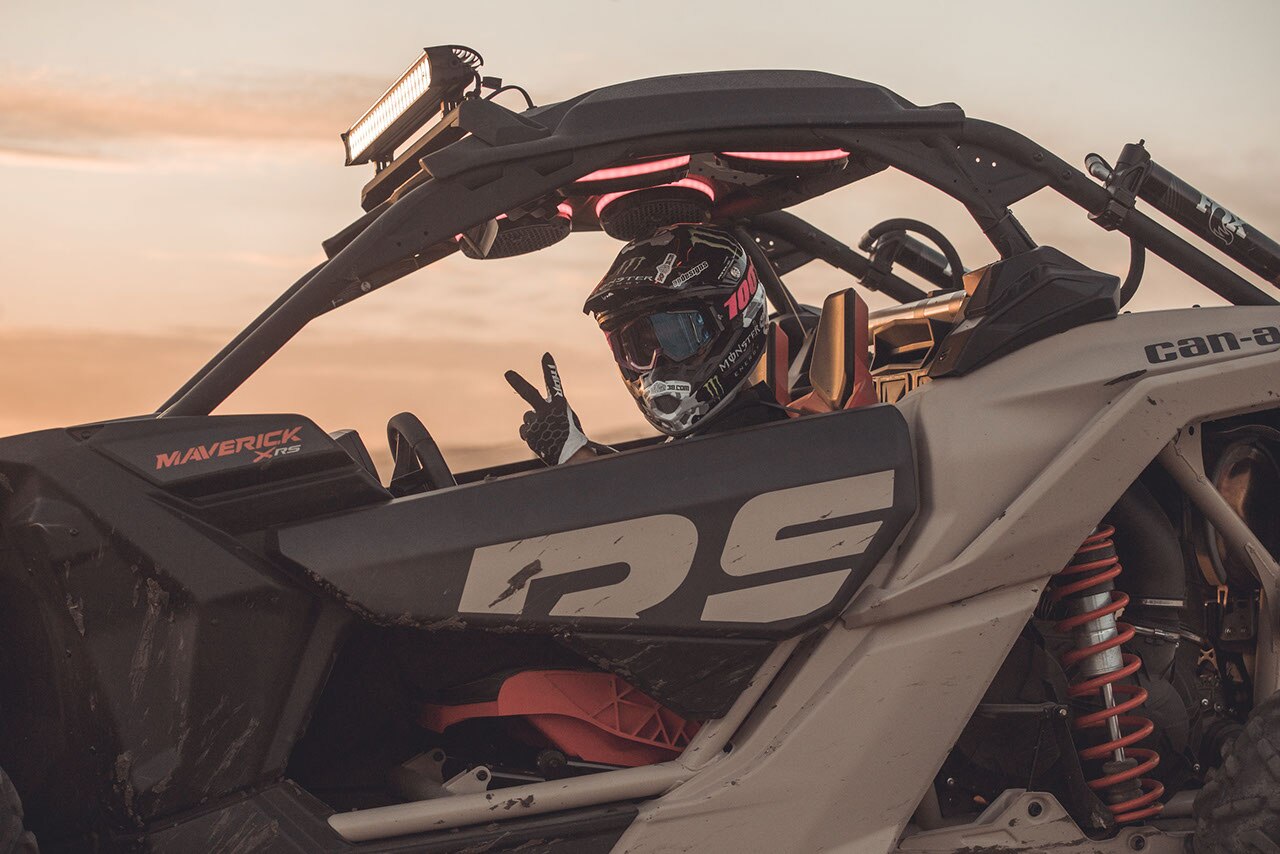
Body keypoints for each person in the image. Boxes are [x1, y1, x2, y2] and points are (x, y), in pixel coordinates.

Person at [505, 224, 789, 466]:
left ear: (735, 312)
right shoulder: (709, 441)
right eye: (635, 346)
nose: (656, 364)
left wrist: (577, 458)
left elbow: (667, 510)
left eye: (676, 336)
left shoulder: (763, 443)